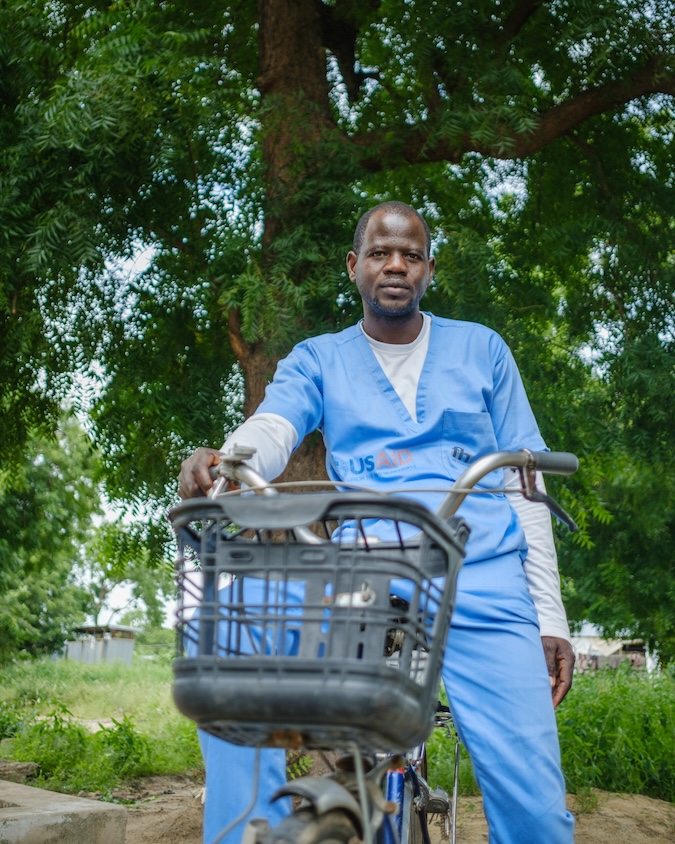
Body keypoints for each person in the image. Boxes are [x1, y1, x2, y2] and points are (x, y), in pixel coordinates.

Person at [179, 201, 576, 843]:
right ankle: (245, 831)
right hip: (360, 572)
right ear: (354, 265)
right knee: (230, 628)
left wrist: (550, 618)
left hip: (481, 577)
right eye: (380, 253)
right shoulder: (319, 358)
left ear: (428, 269)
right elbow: (275, 425)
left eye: (411, 255)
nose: (396, 265)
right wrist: (229, 460)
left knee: (535, 809)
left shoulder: (484, 350)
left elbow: (523, 483)